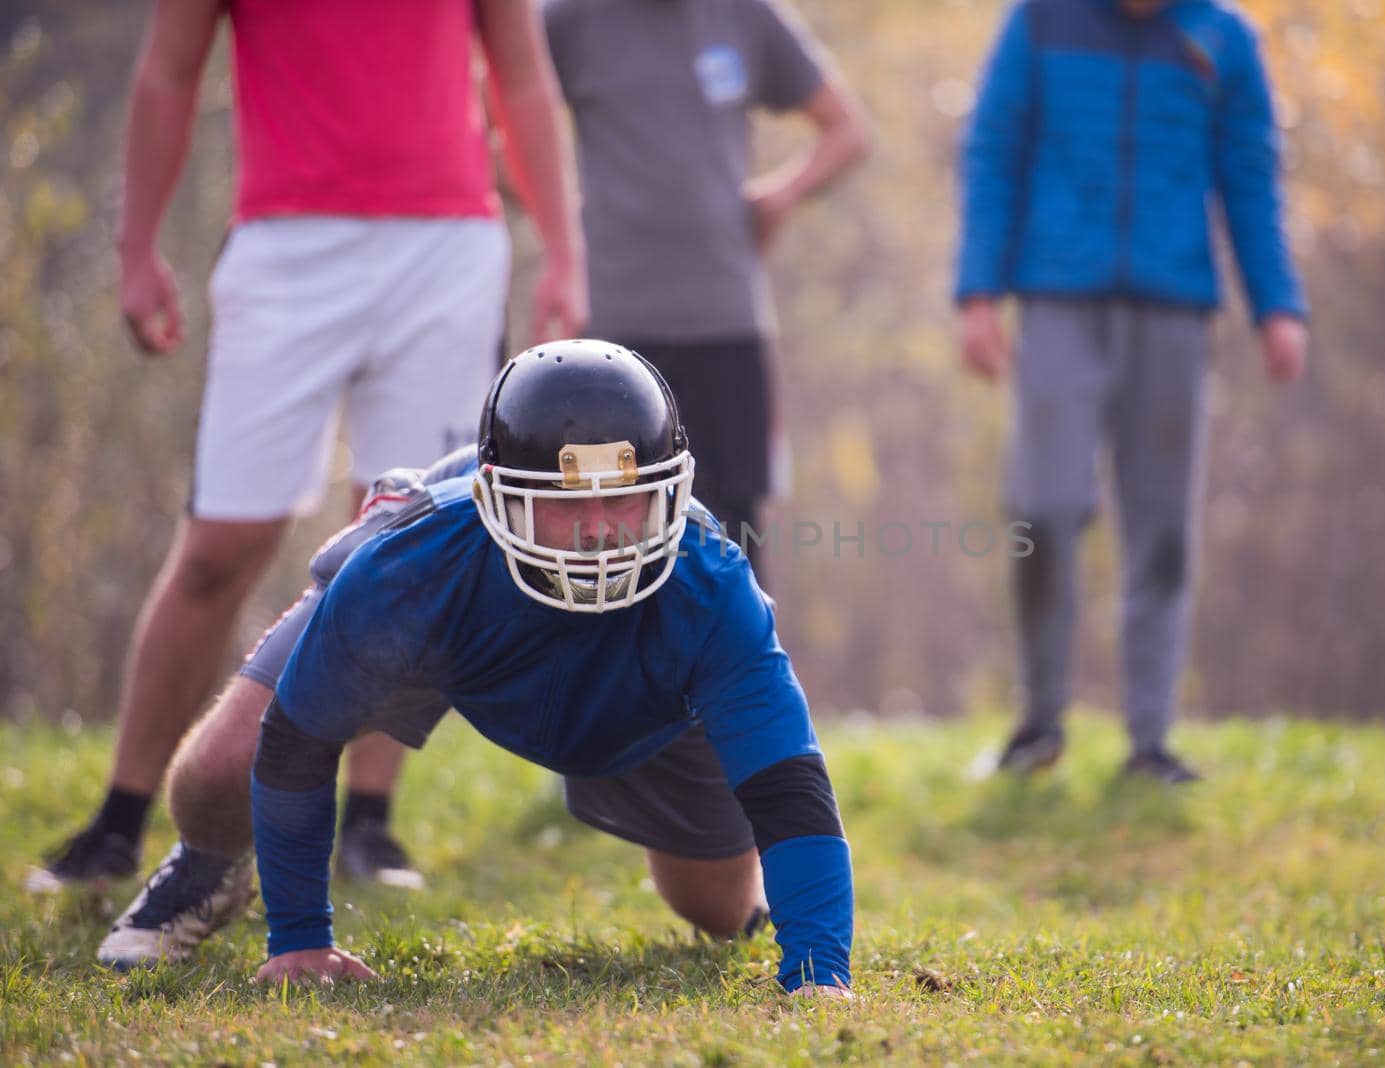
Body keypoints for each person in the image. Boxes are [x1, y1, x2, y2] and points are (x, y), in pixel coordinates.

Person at [94, 341, 853, 1000]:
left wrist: (820, 974)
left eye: (622, 498)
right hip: (454, 621)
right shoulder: (412, 566)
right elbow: (298, 741)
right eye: (563, 503)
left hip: (637, 701)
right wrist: (298, 938)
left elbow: (788, 788)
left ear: (668, 492)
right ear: (496, 500)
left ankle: (751, 905)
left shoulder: (712, 587)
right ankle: (206, 870)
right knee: (232, 762)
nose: (596, 530)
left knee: (715, 908)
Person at [29, 0, 585, 892]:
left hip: (447, 251)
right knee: (220, 547)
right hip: (285, 249)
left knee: (408, 542)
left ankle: (369, 826)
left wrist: (565, 252)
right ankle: (120, 820)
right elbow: (169, 70)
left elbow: (521, 75)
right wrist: (138, 249)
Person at [955, 0, 1310, 780]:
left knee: (1163, 532)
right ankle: (1040, 723)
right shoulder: (1042, 23)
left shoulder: (1224, 38)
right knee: (1042, 509)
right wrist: (977, 293)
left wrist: (1277, 304)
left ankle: (1150, 741)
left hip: (1175, 306)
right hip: (1056, 298)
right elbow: (993, 150)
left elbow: (1250, 178)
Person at [542, 0, 869, 575]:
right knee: (607, 547)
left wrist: (782, 195)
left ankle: (732, 666)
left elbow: (847, 130)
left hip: (728, 328)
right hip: (613, 338)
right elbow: (495, 124)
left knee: (733, 544)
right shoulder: (569, 18)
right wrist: (561, 219)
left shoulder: (746, 15)